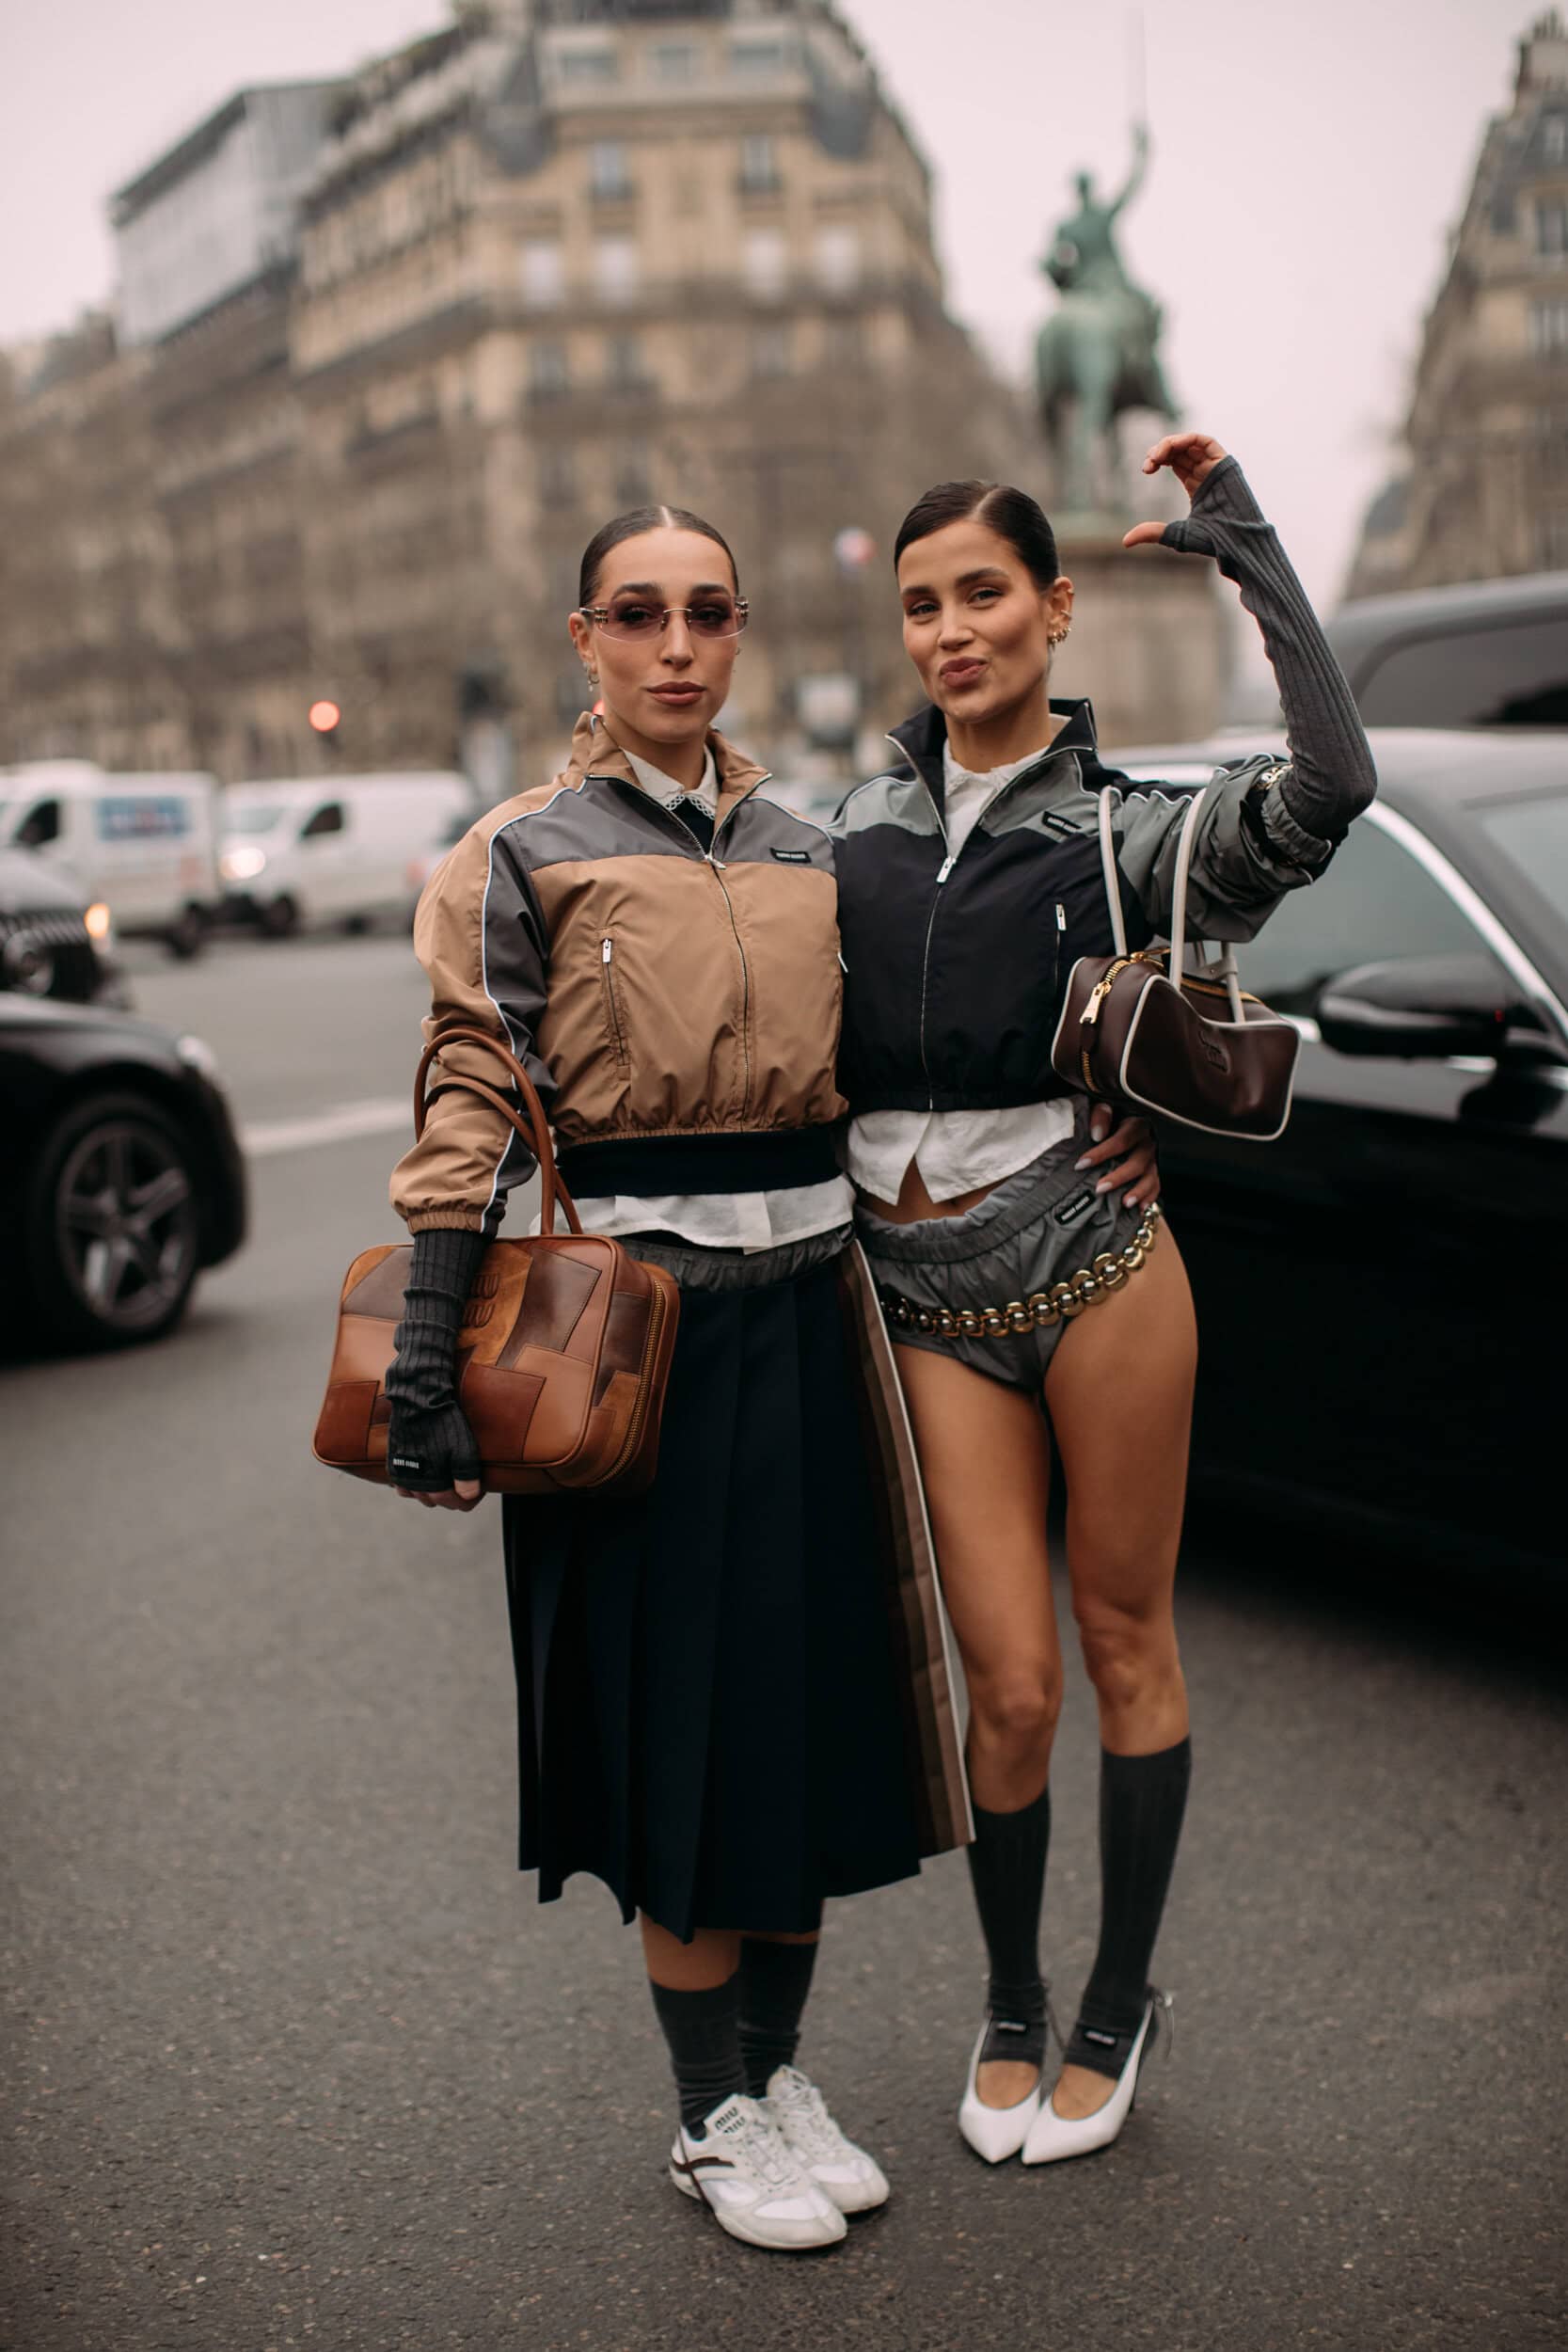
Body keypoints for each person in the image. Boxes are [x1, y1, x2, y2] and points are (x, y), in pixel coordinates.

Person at [375, 504, 990, 2254]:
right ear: (585, 636)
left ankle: (778, 2071)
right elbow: (469, 1098)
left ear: (739, 632)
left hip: (814, 1328)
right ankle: (710, 2114)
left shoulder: (815, 847)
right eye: (637, 613)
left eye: (707, 611)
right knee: (680, 1743)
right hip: (632, 1358)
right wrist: (430, 1358)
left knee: (803, 1722)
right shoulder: (515, 852)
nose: (675, 643)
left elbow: (909, 1073)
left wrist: (1098, 1133)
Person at [831, 433, 1376, 2166]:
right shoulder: (840, 833)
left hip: (1104, 1270)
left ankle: (1117, 2000)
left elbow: (1332, 787)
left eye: (983, 594)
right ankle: (1009, 1998)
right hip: (925, 1303)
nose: (950, 632)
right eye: (921, 606)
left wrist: (1251, 555)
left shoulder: (1133, 831)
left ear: (1055, 612)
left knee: (1126, 1638)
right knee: (1008, 1686)